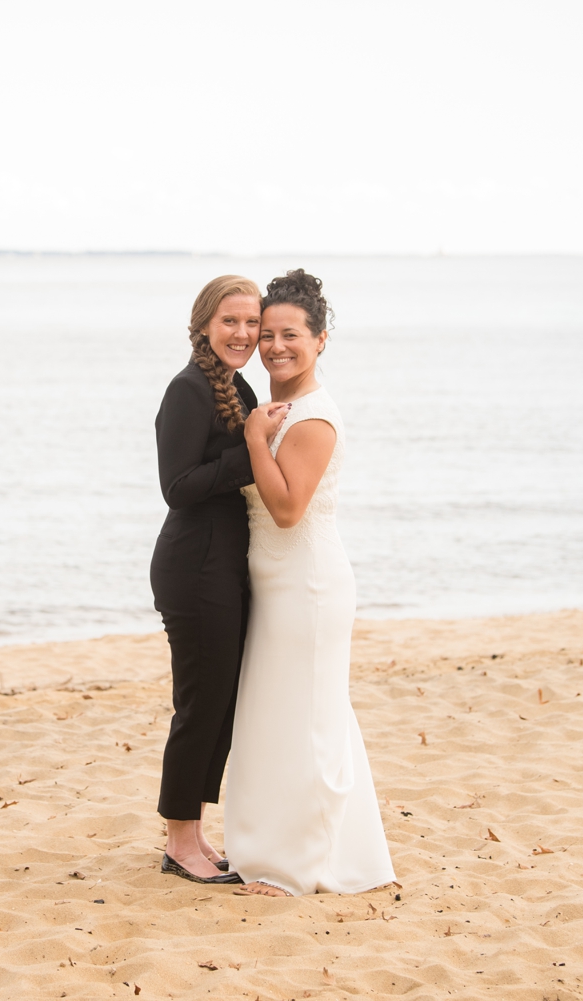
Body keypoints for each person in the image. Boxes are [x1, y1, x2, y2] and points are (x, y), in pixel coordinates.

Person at [224, 269, 397, 897]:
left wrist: (252, 441)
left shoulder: (313, 418)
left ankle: (295, 867)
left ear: (321, 339)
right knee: (280, 718)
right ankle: (299, 851)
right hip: (274, 586)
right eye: (266, 334)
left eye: (291, 334)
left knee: (310, 723)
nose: (275, 346)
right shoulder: (277, 408)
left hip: (308, 586)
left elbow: (288, 509)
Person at [151, 275, 261, 884]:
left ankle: (192, 832)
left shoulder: (234, 383)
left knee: (218, 705)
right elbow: (177, 486)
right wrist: (250, 451)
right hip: (193, 568)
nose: (242, 334)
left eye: (251, 323)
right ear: (203, 326)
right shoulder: (189, 389)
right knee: (198, 706)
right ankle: (178, 843)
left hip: (223, 565)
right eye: (230, 322)